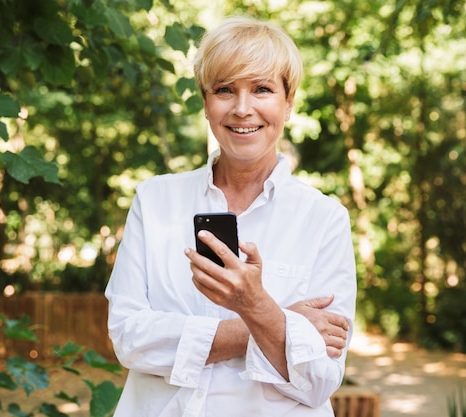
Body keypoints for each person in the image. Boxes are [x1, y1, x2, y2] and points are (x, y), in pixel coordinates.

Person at [105, 15, 357, 417]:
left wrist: (255, 305)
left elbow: (320, 380)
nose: (243, 109)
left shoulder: (324, 218)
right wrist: (273, 321)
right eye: (225, 90)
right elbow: (129, 338)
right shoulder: (154, 200)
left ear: (288, 102)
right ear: (206, 103)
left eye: (262, 89)